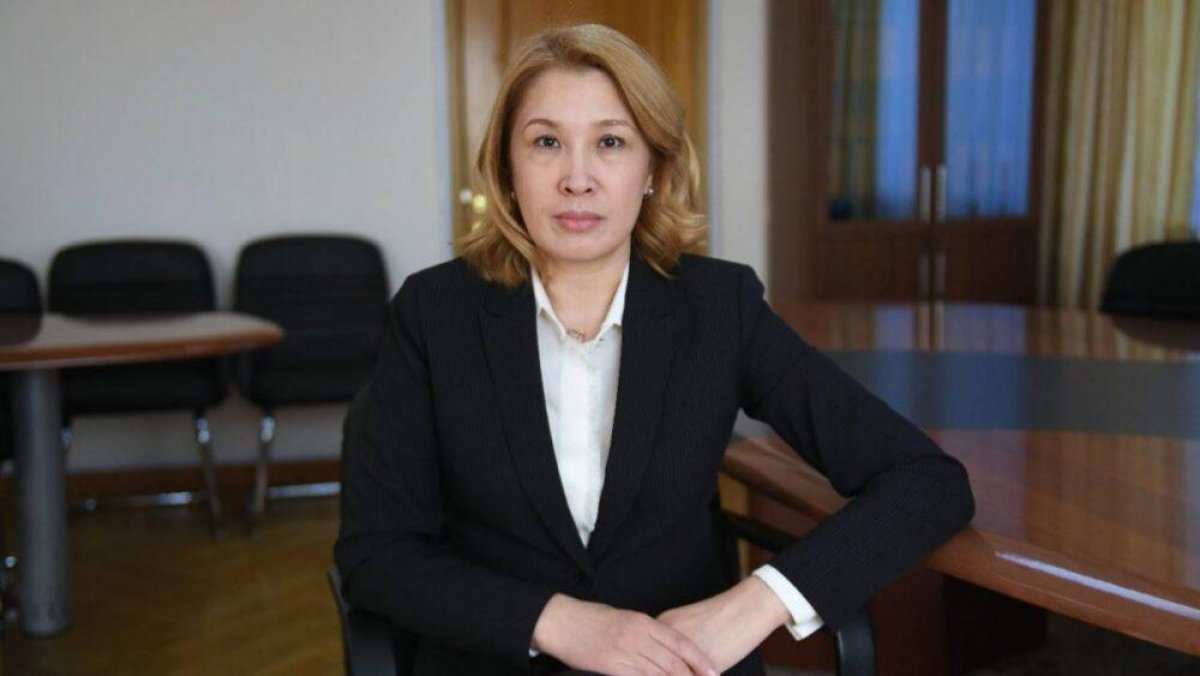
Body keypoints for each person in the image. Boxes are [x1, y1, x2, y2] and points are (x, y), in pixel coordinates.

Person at [335, 23, 974, 676]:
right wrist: (556, 622)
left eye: (611, 142)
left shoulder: (720, 307)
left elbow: (928, 483)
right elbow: (376, 555)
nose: (577, 179)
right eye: (547, 142)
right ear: (507, 168)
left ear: (654, 169)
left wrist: (761, 600)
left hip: (683, 666)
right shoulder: (433, 312)